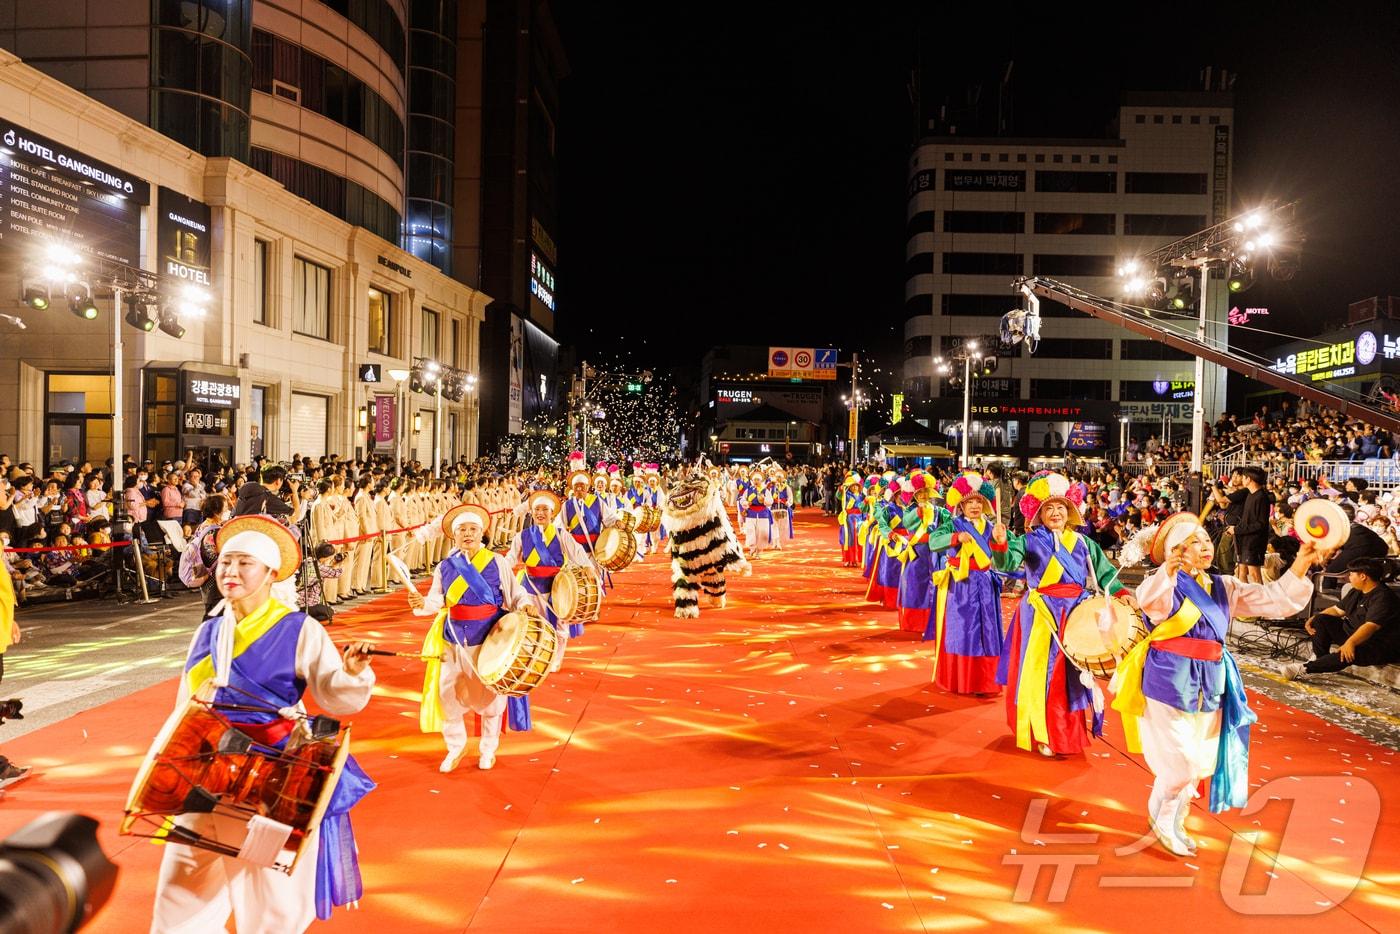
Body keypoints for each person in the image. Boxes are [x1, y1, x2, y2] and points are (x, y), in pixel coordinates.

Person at [149, 515, 377, 931]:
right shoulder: (209, 631)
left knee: (271, 900)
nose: (230, 572)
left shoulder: (299, 628)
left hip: (272, 776)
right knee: (179, 893)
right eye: (225, 563)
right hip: (207, 772)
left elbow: (332, 692)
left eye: (244, 563)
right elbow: (188, 703)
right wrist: (171, 760)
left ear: (271, 573)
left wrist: (352, 673)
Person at [1114, 517, 1326, 857]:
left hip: (1211, 679)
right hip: (1169, 677)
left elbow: (1272, 600)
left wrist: (1301, 561)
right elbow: (1151, 604)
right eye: (1195, 542)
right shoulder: (1165, 584)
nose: (1206, 546)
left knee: (1198, 761)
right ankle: (1163, 813)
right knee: (1181, 763)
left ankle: (1176, 816)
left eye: (1205, 540)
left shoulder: (1223, 585)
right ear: (1176, 552)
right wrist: (1166, 572)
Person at [991, 471, 1138, 758]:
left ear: (1071, 510)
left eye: (1061, 507)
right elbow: (1006, 562)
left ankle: (1067, 733)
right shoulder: (1029, 541)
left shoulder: (1084, 544)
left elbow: (1106, 576)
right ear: (1038, 514)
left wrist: (1123, 595)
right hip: (1041, 616)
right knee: (1043, 675)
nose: (1056, 512)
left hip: (1076, 615)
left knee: (1072, 677)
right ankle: (1043, 732)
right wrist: (1000, 543)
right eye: (1049, 508)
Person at [409, 504, 533, 772]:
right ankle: (455, 746)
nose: (467, 534)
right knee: (447, 693)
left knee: (490, 696)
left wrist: (524, 605)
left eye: (473, 529)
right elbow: (436, 600)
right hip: (453, 637)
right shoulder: (445, 566)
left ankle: (488, 748)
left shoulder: (497, 562)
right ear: (454, 535)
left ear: (482, 533)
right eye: (462, 530)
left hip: (488, 639)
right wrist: (421, 602)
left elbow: (515, 592)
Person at [928, 471, 1002, 695]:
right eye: (969, 501)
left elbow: (1001, 559)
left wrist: (1002, 541)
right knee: (964, 631)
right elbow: (933, 541)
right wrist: (955, 538)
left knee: (987, 631)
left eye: (978, 501)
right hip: (962, 584)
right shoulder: (953, 524)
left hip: (986, 584)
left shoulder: (991, 527)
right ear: (961, 505)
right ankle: (962, 680)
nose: (975, 506)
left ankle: (986, 681)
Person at [1282, 556, 1400, 679]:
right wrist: (1314, 618)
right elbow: (1337, 611)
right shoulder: (1356, 591)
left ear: (1363, 576)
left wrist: (1350, 642)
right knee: (1321, 619)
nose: (1348, 577)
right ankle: (1320, 659)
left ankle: (1305, 668)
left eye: (1351, 574)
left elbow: (1370, 626)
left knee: (1349, 652)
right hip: (1352, 634)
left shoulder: (1383, 597)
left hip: (1375, 645)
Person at [505, 490, 593, 641]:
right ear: (531, 512)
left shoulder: (561, 534)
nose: (541, 513)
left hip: (558, 588)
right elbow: (510, 559)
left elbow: (576, 551)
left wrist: (587, 565)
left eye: (545, 509)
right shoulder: (522, 536)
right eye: (537, 509)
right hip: (530, 589)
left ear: (552, 513)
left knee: (559, 628)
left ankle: (555, 664)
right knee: (533, 628)